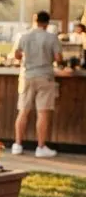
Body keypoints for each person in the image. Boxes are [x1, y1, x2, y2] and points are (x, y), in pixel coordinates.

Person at [11, 9, 63, 158]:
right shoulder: (52, 37)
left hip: (27, 76)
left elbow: (16, 55)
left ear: (35, 21)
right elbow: (58, 57)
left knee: (23, 111)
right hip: (45, 76)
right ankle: (40, 147)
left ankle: (17, 144)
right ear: (47, 23)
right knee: (43, 112)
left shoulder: (24, 36)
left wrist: (26, 57)